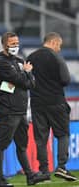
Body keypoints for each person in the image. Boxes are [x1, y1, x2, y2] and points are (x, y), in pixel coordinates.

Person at [0, 32, 44, 187]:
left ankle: (30, 176)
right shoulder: (1, 61)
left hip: (21, 110)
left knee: (22, 145)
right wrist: (27, 74)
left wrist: (27, 76)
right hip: (8, 110)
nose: (15, 46)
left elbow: (32, 84)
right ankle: (0, 179)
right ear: (4, 44)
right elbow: (21, 81)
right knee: (2, 145)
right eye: (12, 43)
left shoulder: (19, 61)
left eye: (17, 43)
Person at [27, 32, 77, 181]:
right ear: (54, 42)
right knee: (62, 134)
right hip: (55, 102)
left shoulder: (31, 57)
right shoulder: (56, 58)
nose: (59, 49)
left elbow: (26, 78)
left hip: (37, 103)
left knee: (41, 139)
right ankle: (61, 167)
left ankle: (44, 172)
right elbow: (66, 80)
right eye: (59, 45)